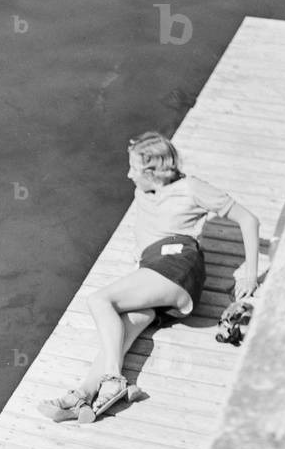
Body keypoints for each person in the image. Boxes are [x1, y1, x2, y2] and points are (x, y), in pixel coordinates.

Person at [40, 131, 260, 422]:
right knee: (124, 328)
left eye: (133, 168)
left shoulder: (191, 188)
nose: (128, 175)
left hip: (178, 263)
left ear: (152, 172)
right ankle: (83, 395)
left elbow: (249, 219)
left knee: (99, 300)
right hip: (154, 273)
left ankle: (114, 379)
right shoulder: (143, 190)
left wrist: (250, 275)